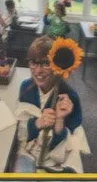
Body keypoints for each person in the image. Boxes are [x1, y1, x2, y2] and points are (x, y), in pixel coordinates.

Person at [17, 35, 89, 172]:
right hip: (29, 152)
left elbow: (69, 148)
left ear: (57, 65)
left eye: (45, 63)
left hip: (53, 160)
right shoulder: (26, 87)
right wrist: (38, 123)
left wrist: (59, 120)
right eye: (33, 62)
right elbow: (21, 130)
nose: (38, 71)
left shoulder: (69, 97)